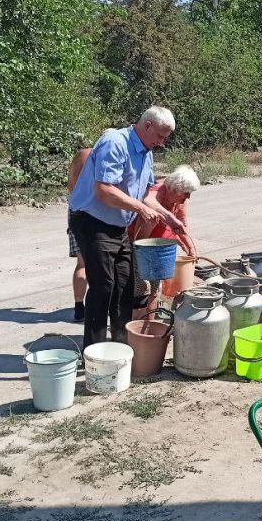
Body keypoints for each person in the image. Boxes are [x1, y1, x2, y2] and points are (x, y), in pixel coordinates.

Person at [68, 106, 187, 348]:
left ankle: (121, 345)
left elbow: (146, 195)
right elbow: (104, 190)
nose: (163, 143)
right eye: (161, 136)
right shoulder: (115, 142)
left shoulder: (146, 153)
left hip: (117, 225)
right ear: (147, 126)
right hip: (91, 222)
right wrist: (141, 210)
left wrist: (168, 218)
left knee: (125, 286)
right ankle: (95, 351)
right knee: (103, 285)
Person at [127, 165, 201, 314]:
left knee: (155, 290)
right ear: (175, 188)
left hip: (159, 250)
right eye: (186, 193)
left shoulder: (178, 200)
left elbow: (181, 225)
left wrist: (191, 249)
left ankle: (150, 326)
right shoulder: (155, 194)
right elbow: (141, 236)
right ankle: (136, 328)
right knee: (141, 289)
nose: (188, 197)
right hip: (141, 247)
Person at [66, 146, 91, 322]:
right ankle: (97, 306)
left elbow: (70, 185)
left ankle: (78, 307)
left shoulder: (81, 155)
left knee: (81, 263)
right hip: (98, 213)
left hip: (76, 210)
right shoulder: (106, 156)